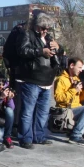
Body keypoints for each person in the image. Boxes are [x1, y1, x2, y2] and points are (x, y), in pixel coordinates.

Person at [15, 12, 61, 149]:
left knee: (43, 112)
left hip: (47, 79)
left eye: (47, 28)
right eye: (42, 28)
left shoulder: (48, 37)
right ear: (36, 25)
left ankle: (39, 136)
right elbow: (22, 51)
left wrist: (58, 47)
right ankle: (25, 138)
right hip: (31, 78)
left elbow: (59, 52)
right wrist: (41, 51)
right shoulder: (26, 34)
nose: (45, 31)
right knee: (28, 111)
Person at [54, 57, 84, 145]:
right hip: (65, 110)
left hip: (75, 109)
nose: (81, 70)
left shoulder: (77, 79)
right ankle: (76, 135)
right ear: (72, 65)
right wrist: (74, 90)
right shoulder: (61, 79)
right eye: (79, 67)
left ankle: (70, 129)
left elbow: (79, 99)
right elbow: (58, 98)